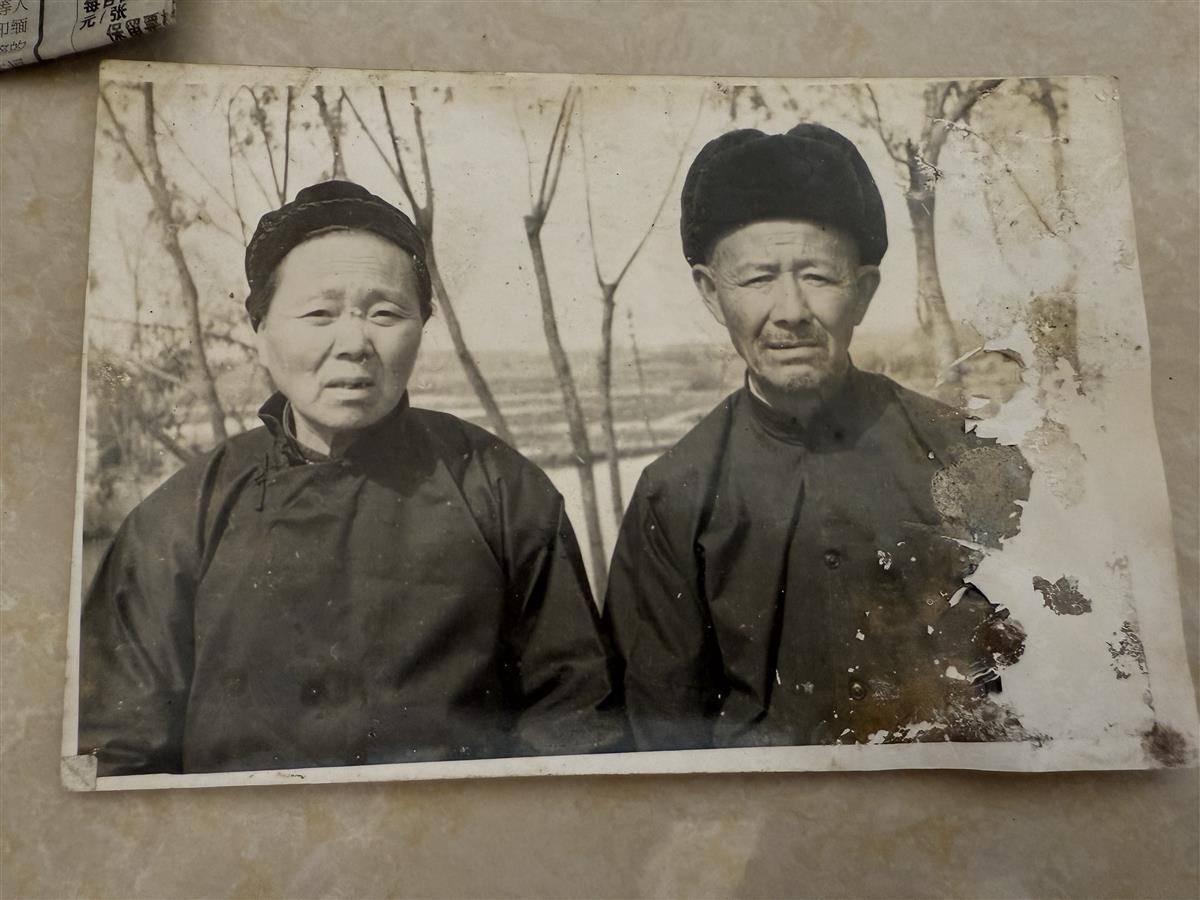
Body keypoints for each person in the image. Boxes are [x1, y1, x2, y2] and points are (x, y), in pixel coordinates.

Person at [79, 180, 626, 776]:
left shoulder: (500, 491)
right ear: (261, 330)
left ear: (421, 325)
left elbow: (573, 722)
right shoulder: (181, 518)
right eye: (319, 313)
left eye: (385, 313)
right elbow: (116, 755)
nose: (354, 344)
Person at [605, 124, 1030, 751]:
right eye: (757, 278)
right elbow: (660, 735)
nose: (790, 311)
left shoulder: (966, 456)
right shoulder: (674, 495)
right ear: (711, 294)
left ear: (863, 291)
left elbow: (1042, 680)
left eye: (818, 277)